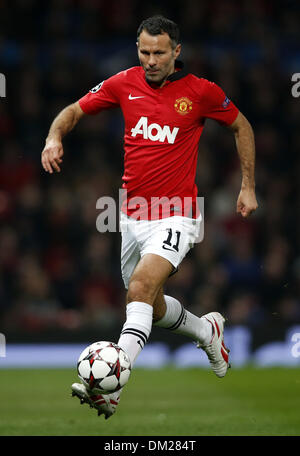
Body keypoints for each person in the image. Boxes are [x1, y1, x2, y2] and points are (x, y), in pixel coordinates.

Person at [41, 15, 258, 419]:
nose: (152, 60)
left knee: (139, 289)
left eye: (160, 52)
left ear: (177, 52)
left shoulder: (200, 91)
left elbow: (241, 126)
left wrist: (247, 185)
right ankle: (206, 331)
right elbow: (73, 111)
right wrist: (54, 136)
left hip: (177, 213)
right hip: (133, 214)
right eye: (145, 51)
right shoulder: (122, 83)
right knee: (149, 304)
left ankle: (111, 384)